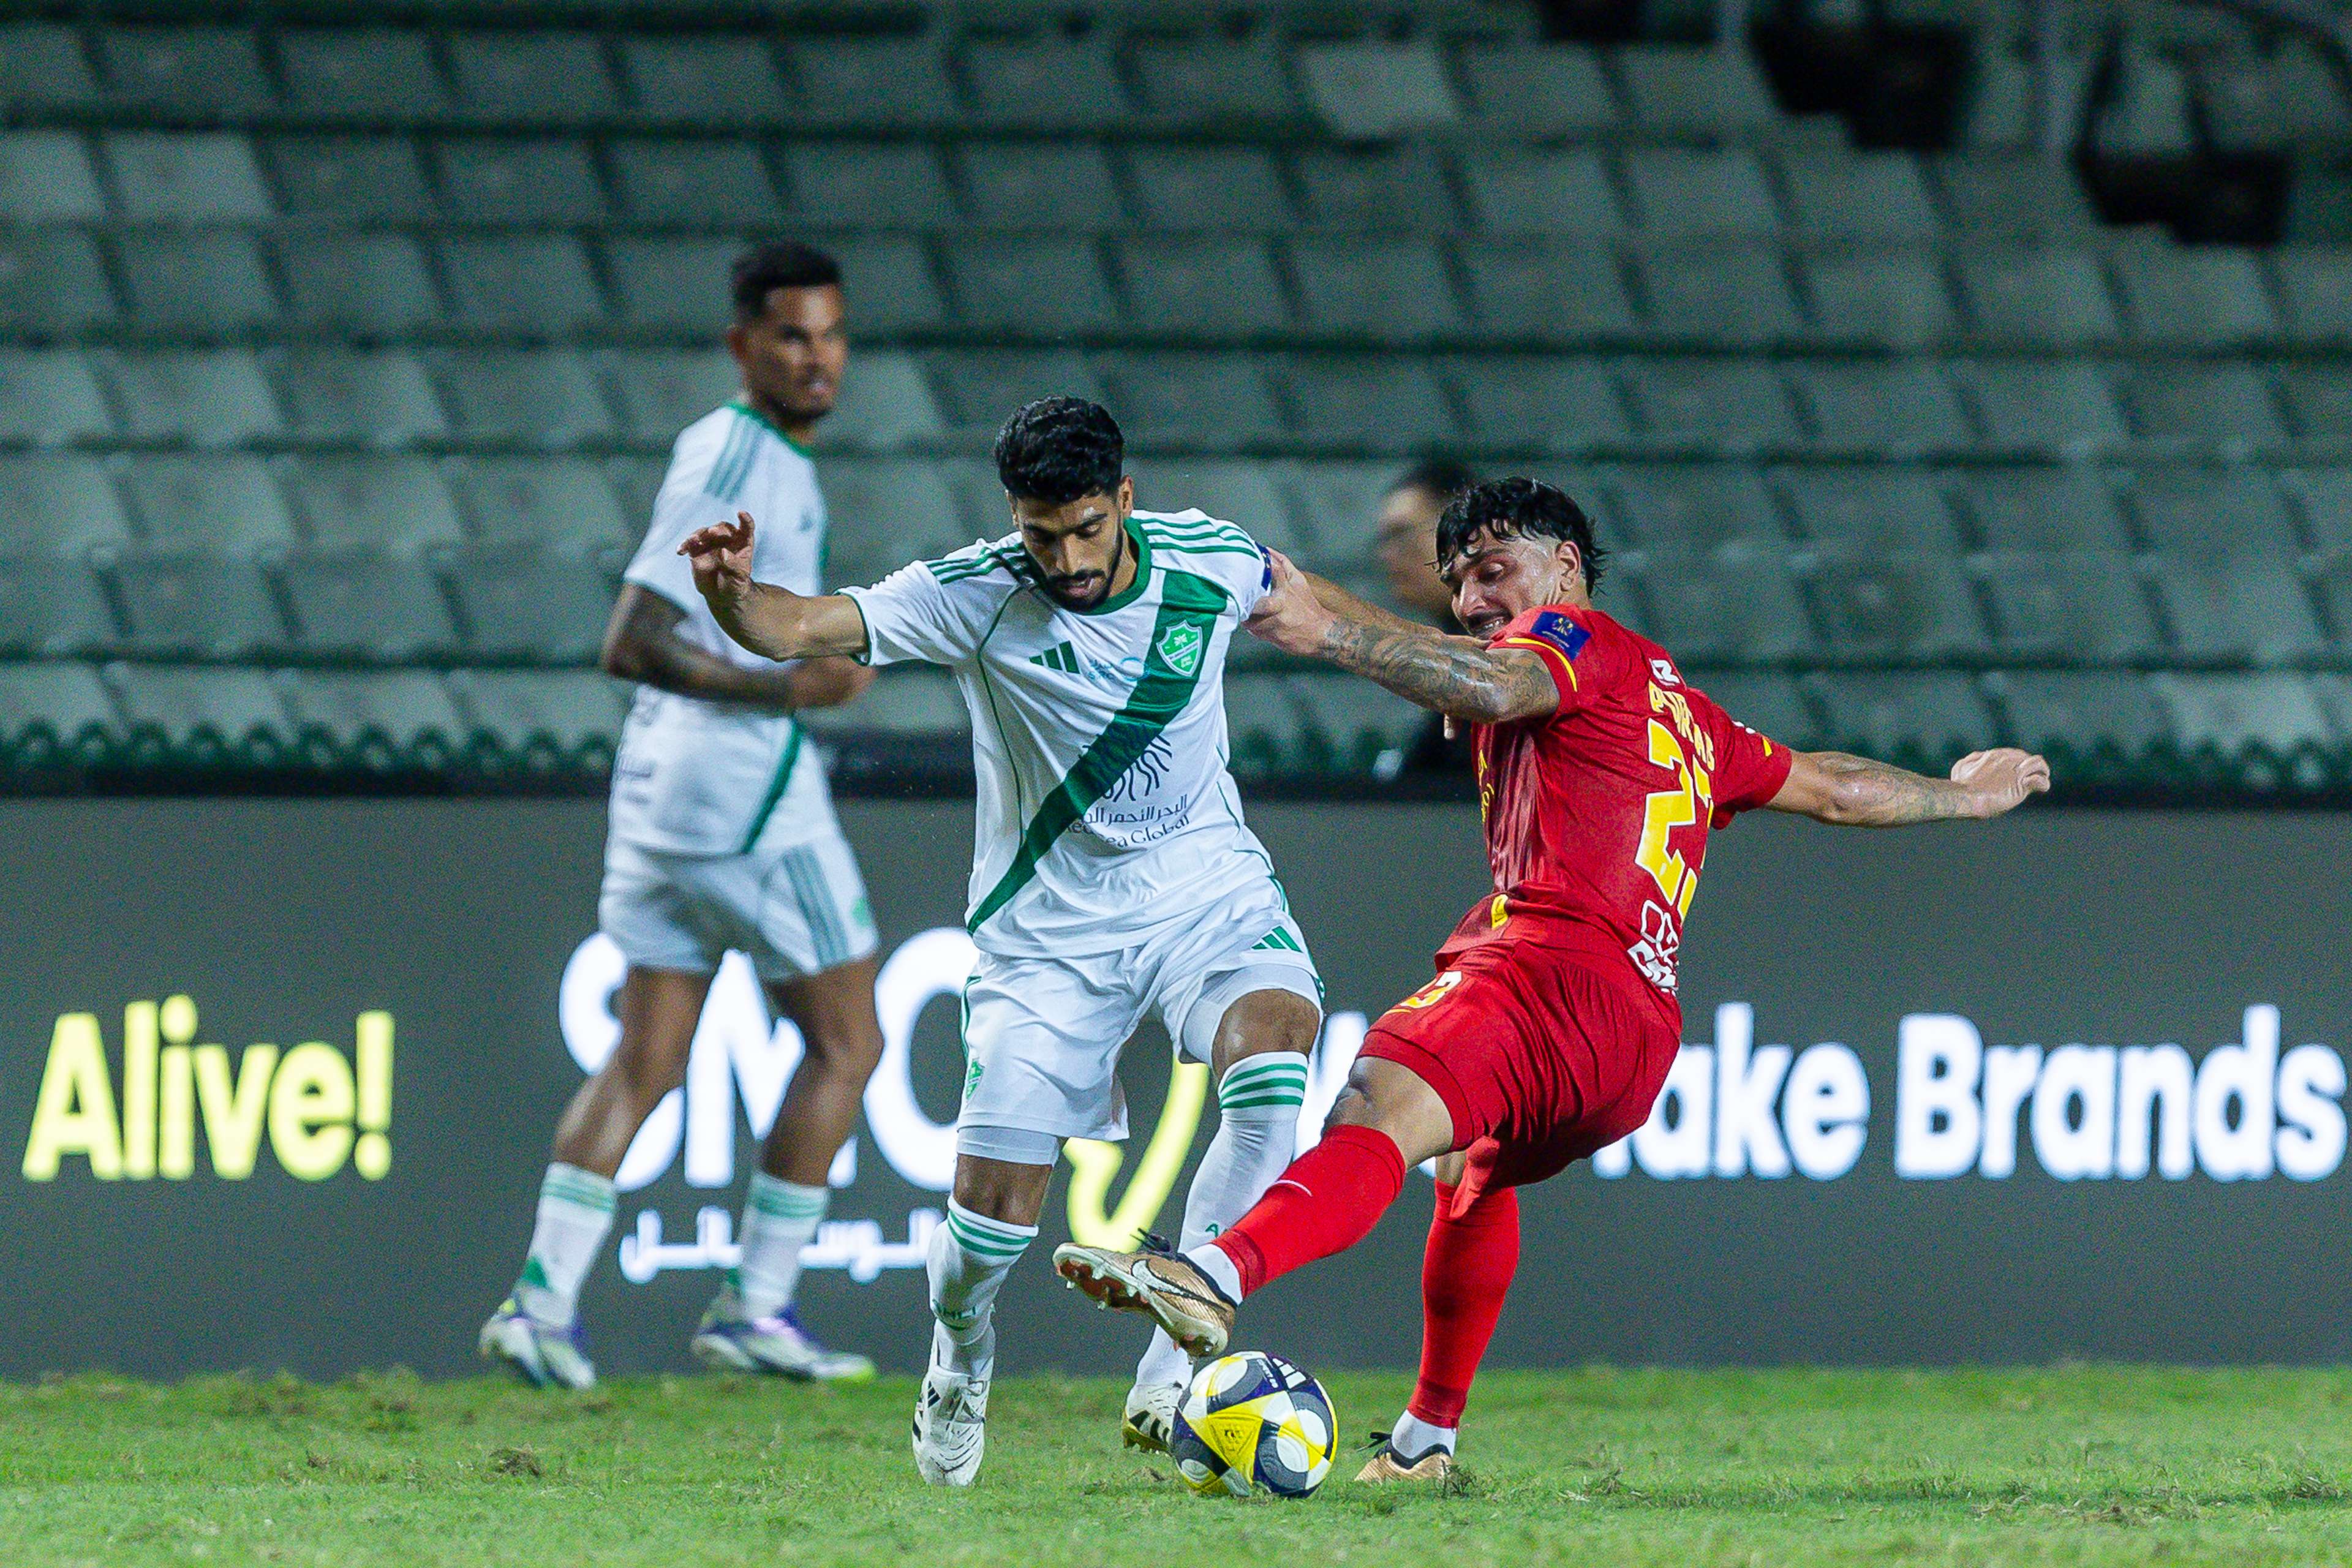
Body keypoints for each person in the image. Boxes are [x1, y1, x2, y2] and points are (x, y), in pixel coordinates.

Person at [1052, 477, 2052, 1479]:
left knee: (1374, 1110)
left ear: (1567, 568)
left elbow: (1497, 684)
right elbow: (1837, 789)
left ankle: (1211, 1274)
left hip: (1549, 970)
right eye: (1459, 586)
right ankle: (1424, 1443)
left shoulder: (1576, 644)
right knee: (1469, 1169)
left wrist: (1333, 637)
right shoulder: (1687, 713)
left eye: (1496, 571)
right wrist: (1962, 798)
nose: (1478, 599)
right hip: (1632, 1040)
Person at [677, 396, 1327, 1487]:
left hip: (1201, 892)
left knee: (1275, 1067)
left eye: (1084, 528)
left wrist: (1418, 658)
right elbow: (801, 626)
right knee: (986, 1232)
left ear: (1125, 500)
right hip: (1047, 941)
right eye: (1041, 534)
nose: (1066, 559)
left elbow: (1307, 603)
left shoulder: (1208, 558)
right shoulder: (975, 593)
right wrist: (735, 597)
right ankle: (959, 1359)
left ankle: (1175, 1356)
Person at [479, 241, 886, 1391]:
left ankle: (540, 1306)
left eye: (832, 335)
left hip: (657, 801)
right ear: (741, 344)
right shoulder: (735, 454)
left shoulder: (762, 456)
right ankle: (755, 1308)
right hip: (741, 797)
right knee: (852, 1040)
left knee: (645, 1058)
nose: (818, 358)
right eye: (793, 336)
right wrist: (790, 686)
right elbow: (634, 641)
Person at [1376, 459, 1477, 774]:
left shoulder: (1513, 651)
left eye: (1402, 533)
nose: (1386, 554)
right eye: (1384, 539)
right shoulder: (1449, 651)